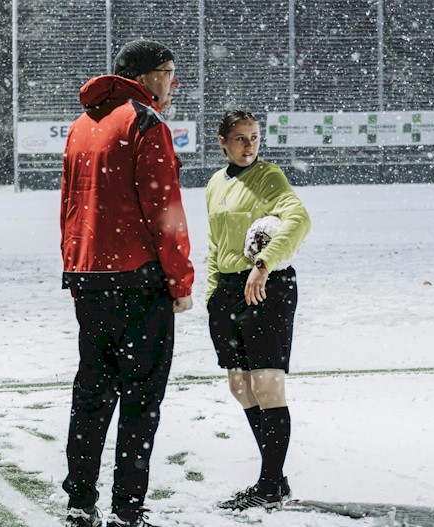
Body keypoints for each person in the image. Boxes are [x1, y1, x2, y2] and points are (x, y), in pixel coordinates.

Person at [60, 39, 194, 527]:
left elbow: (69, 205)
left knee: (92, 393)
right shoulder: (145, 122)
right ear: (145, 77)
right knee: (141, 399)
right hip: (138, 281)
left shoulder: (82, 124)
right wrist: (180, 280)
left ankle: (80, 500)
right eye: (169, 71)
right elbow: (165, 210)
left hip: (89, 276)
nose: (174, 82)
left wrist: (75, 266)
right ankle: (127, 508)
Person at [205, 109, 310, 511]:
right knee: (240, 385)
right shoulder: (215, 184)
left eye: (254, 137)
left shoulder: (269, 177)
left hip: (268, 287)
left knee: (267, 385)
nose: (249, 145)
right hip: (229, 290)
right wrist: (213, 291)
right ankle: (275, 479)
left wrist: (264, 263)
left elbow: (299, 219)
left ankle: (267, 486)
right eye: (240, 138)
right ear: (223, 141)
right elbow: (215, 242)